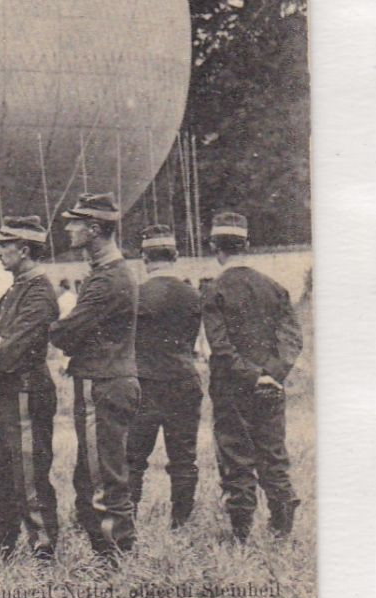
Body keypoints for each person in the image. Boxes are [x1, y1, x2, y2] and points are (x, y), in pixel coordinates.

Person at [49, 193, 140, 560]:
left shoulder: (106, 280)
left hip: (101, 383)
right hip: (107, 379)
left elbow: (67, 334)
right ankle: (111, 554)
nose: (68, 229)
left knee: (101, 475)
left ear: (94, 229)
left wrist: (50, 326)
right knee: (95, 472)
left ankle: (115, 558)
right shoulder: (107, 275)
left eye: (75, 222)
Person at [203, 211, 304, 541]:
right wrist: (272, 373)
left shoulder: (214, 290)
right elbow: (292, 339)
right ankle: (281, 527)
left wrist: (250, 375)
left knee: (235, 458)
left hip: (232, 388)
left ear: (215, 247)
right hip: (271, 388)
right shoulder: (274, 288)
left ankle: (241, 533)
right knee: (273, 454)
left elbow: (219, 346)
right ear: (247, 244)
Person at [0, 216, 61, 561]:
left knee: (28, 475)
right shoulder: (13, 289)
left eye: (5, 244)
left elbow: (9, 353)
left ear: (24, 249)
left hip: (25, 393)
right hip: (5, 394)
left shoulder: (38, 292)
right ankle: (4, 546)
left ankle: (43, 549)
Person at [127, 224, 204, 529]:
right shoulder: (193, 295)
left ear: (144, 258)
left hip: (143, 383)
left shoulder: (136, 294)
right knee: (184, 459)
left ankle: (127, 519)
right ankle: (180, 523)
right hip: (183, 380)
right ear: (176, 255)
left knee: (132, 459)